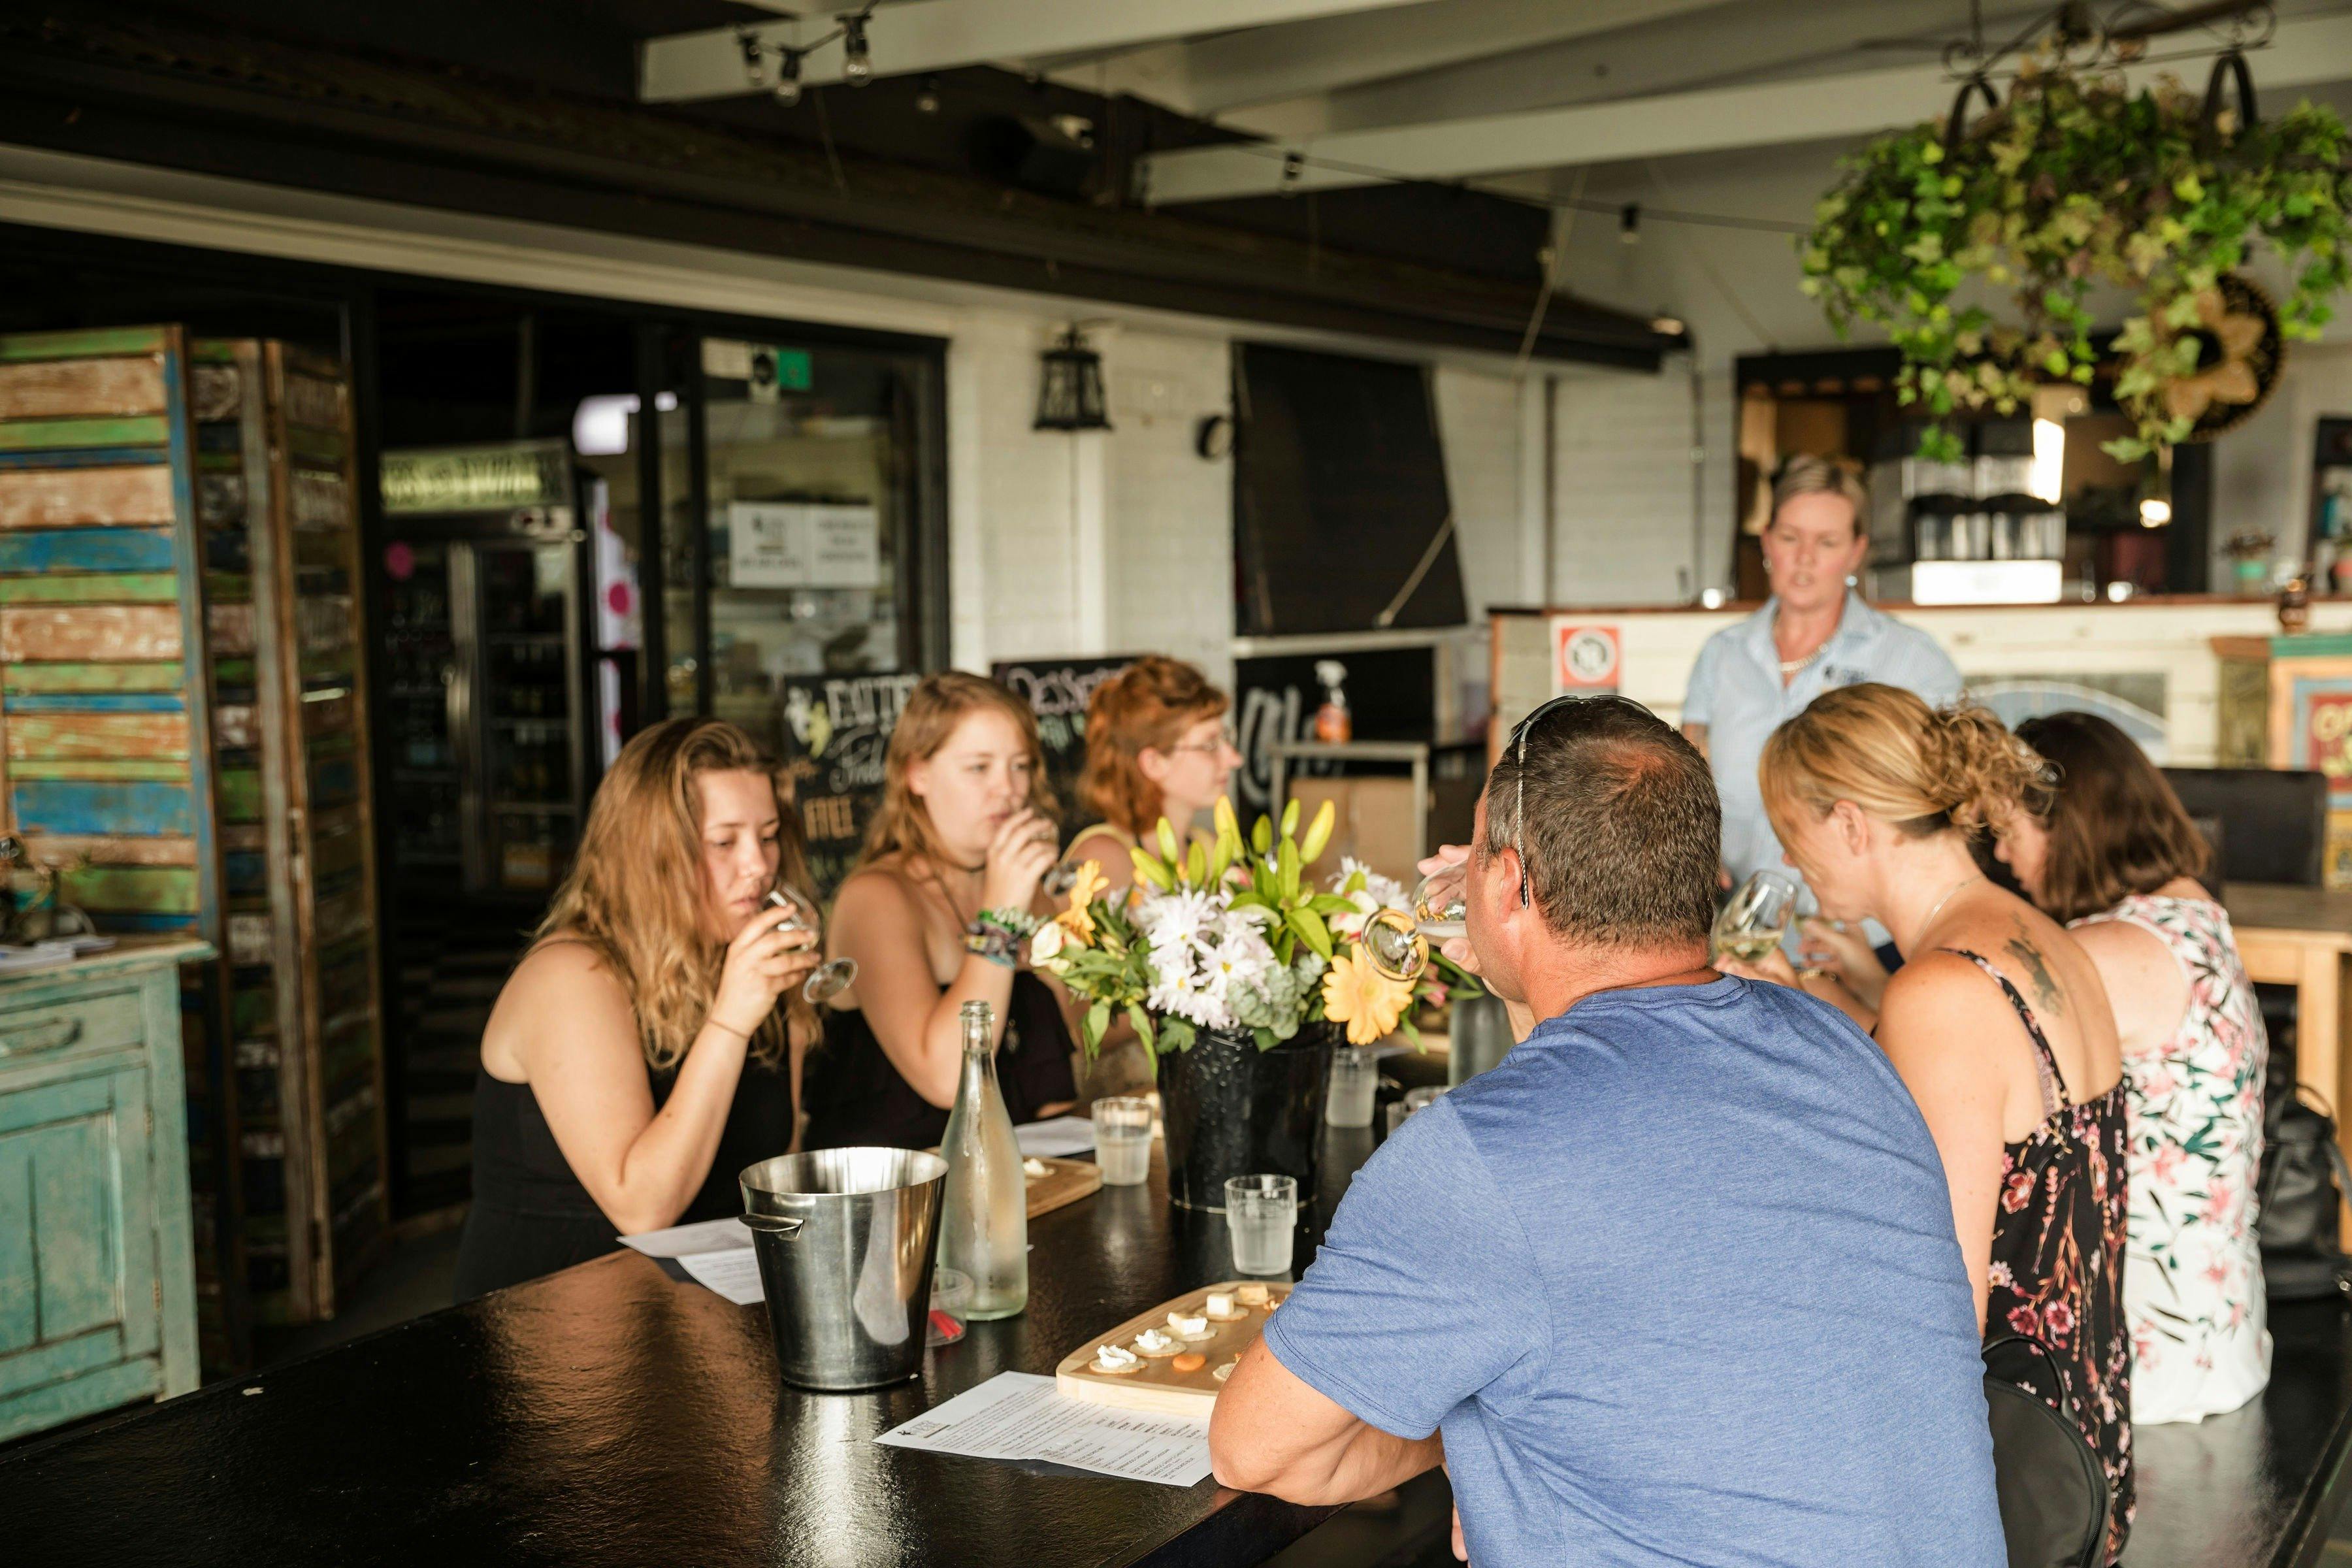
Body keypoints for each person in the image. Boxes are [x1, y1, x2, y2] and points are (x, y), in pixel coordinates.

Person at [1209, 695, 2004, 1567]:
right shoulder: (1844, 1051)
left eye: (1477, 853)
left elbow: (1254, 1448)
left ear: (1511, 883)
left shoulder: (1476, 1163)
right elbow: (1602, 1108)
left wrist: (1473, 1425)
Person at [1722, 683, 2132, 1561]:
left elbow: (1936, 1295)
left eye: (1790, 830)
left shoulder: (1939, 989)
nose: (1792, 863)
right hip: (2081, 1435)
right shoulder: (2040, 936)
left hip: (1997, 1474)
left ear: (1849, 821)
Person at [453, 719, 823, 1301]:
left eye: (770, 835)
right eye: (724, 842)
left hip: (702, 1313)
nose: (759, 865)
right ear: (650, 854)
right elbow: (644, 1209)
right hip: (553, 1324)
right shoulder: (571, 976)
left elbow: (775, 1173)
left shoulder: (751, 965)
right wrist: (731, 1019)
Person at [2001, 712, 2270, 1425]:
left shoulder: (2106, 950)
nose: (2003, 852)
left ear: (2067, 824)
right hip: (2219, 1331)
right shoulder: (2189, 914)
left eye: (2009, 829)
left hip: (2152, 1365)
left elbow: (1981, 1069)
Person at [804, 672, 1079, 1149]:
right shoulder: (877, 897)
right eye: (979, 768)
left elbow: (1074, 1056)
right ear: (917, 774)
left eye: (1020, 766)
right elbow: (948, 1077)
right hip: (900, 1204)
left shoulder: (1026, 890)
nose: (1008, 790)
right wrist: (1000, 918)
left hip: (1027, 1184)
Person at [1682, 456, 1962, 908]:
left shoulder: (1912, 660)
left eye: (1827, 542)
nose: (1804, 558)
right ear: (1768, 542)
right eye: (1790, 538)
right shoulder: (1723, 653)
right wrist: (1696, 853)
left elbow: (1943, 801)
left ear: (1856, 551)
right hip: (1739, 920)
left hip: (1867, 930)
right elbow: (1691, 775)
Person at [1066, 655, 1242, 900]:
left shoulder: (1208, 846)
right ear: (1154, 763)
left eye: (1226, 739)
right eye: (1210, 745)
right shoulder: (1102, 858)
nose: (1235, 759)